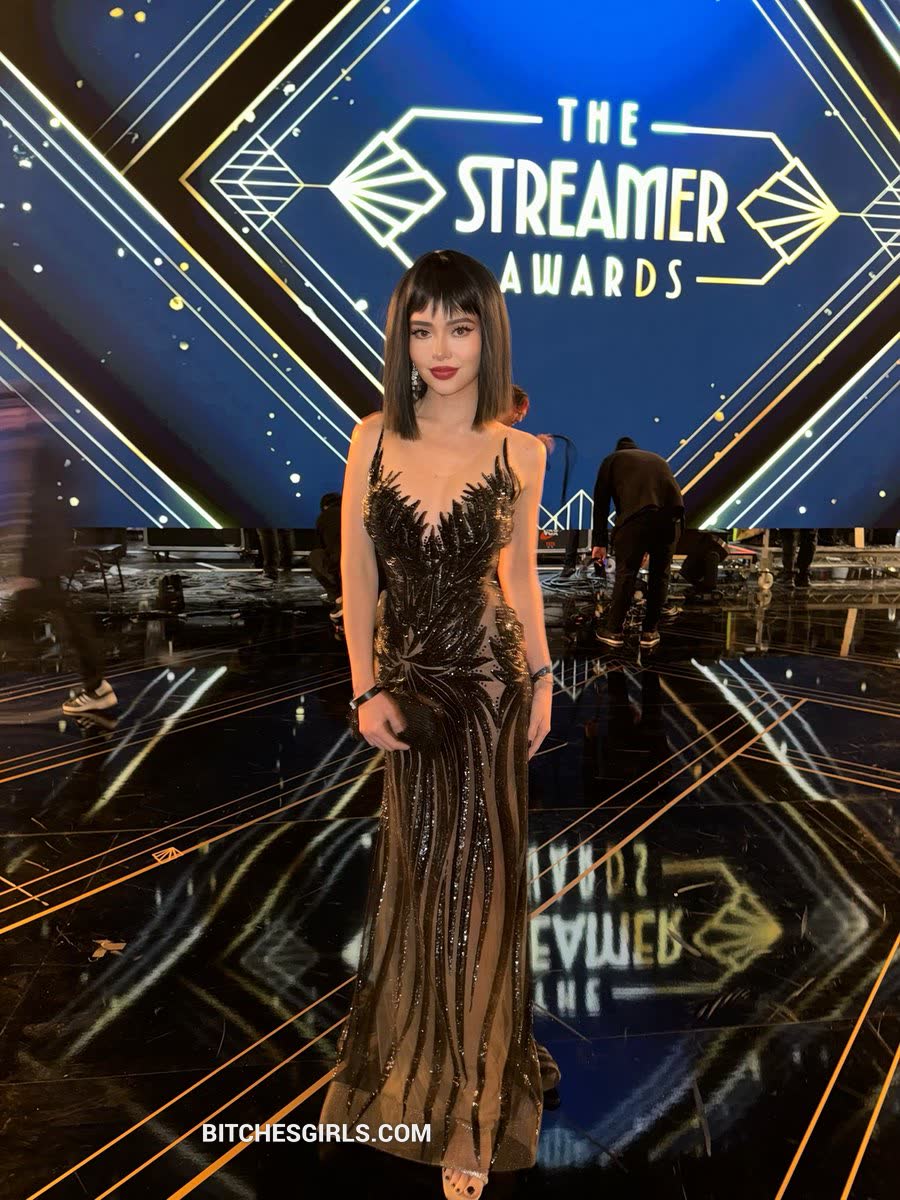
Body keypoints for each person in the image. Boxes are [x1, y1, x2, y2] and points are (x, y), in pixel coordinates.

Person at [319, 250, 553, 1199]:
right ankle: (423, 1057)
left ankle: (474, 1109)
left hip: (491, 682)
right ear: (401, 340)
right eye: (422, 330)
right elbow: (358, 570)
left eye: (460, 327)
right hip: (407, 686)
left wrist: (542, 678)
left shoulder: (522, 452)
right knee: (420, 875)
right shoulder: (373, 434)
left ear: (489, 335)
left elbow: (519, 575)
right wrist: (363, 688)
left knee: (485, 884)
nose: (441, 349)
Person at [0, 383, 117, 714]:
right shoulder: (32, 448)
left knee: (35, 621)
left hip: (42, 557)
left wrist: (28, 570)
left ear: (27, 413)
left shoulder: (43, 452)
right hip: (39, 557)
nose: (5, 418)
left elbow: (46, 514)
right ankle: (97, 686)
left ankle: (98, 687)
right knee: (59, 618)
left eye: (10, 410)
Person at [591, 436, 684, 649]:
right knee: (660, 575)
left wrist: (599, 542)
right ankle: (650, 632)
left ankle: (614, 631)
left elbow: (601, 503)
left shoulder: (612, 460)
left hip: (636, 520)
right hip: (671, 520)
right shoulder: (657, 459)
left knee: (627, 573)